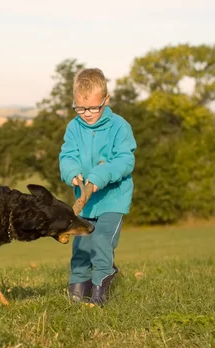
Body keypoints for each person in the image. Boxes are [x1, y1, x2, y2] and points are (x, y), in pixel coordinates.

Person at [58, 67, 137, 307]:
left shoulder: (119, 127)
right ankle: (77, 292)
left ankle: (100, 289)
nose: (87, 114)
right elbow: (67, 155)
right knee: (81, 246)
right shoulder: (74, 127)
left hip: (113, 199)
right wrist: (71, 173)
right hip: (86, 203)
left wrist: (98, 176)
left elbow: (125, 160)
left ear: (106, 100)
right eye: (80, 108)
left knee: (102, 241)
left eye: (93, 107)